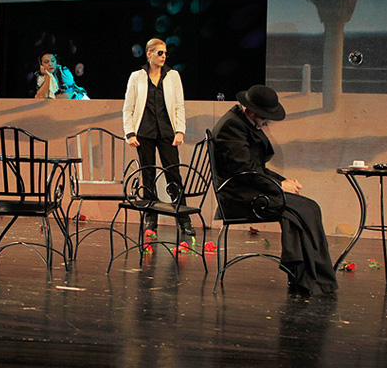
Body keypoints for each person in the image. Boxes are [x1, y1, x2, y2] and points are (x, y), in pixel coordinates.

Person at [211, 85, 338, 296]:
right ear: (251, 111)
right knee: (302, 209)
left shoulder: (241, 122)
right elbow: (244, 171)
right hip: (239, 198)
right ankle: (308, 277)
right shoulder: (232, 127)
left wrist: (282, 180)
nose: (267, 122)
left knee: (308, 207)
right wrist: (279, 186)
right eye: (264, 117)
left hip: (250, 190)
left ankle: (309, 276)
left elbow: (256, 168)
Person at [122, 38, 194, 236]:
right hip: (144, 132)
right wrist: (129, 132)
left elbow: (179, 106)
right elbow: (128, 108)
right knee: (148, 175)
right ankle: (150, 219)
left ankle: (184, 219)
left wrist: (180, 130)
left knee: (173, 174)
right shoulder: (137, 76)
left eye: (165, 53)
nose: (163, 57)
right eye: (159, 53)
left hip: (167, 132)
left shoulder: (173, 76)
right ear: (149, 54)